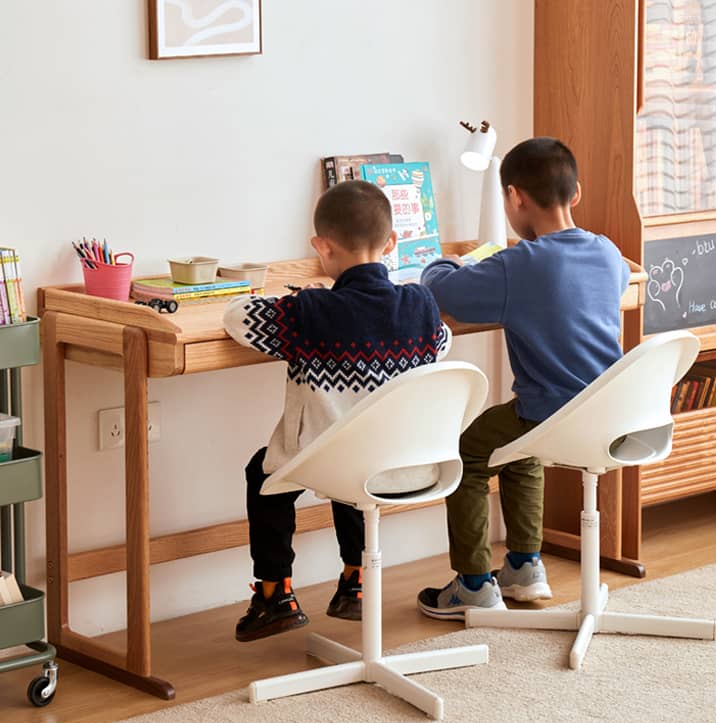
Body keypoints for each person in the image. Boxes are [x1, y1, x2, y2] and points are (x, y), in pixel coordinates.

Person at [224, 179, 452, 641]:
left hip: (341, 463)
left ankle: (274, 594)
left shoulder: (310, 312)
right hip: (408, 466)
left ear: (321, 246)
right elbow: (442, 345)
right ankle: (357, 579)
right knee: (359, 445)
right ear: (391, 242)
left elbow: (236, 317)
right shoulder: (421, 303)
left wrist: (305, 296)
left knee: (265, 474)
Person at [417, 137, 631, 619]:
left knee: (469, 450)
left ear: (514, 198)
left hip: (553, 413)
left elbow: (444, 292)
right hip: (609, 412)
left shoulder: (519, 264)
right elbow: (613, 283)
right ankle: (524, 566)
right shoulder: (606, 251)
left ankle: (473, 583)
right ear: (575, 194)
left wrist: (446, 261)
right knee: (520, 438)